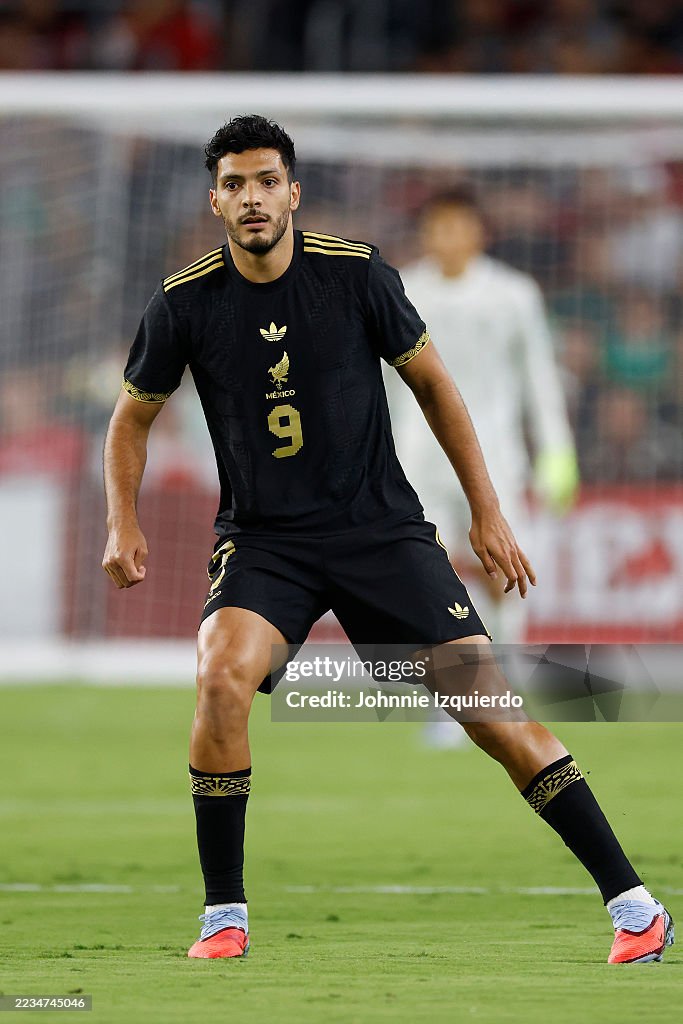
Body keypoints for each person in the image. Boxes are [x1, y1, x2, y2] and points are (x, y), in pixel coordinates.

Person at [102, 115, 672, 965]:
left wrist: (486, 511)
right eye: (234, 184)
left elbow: (436, 388)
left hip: (379, 533)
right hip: (265, 545)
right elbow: (131, 418)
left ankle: (635, 906)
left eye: (266, 181)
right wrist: (123, 517)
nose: (251, 198)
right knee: (220, 676)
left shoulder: (357, 273)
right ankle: (224, 916)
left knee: (495, 717)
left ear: (292, 193)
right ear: (214, 199)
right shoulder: (182, 302)